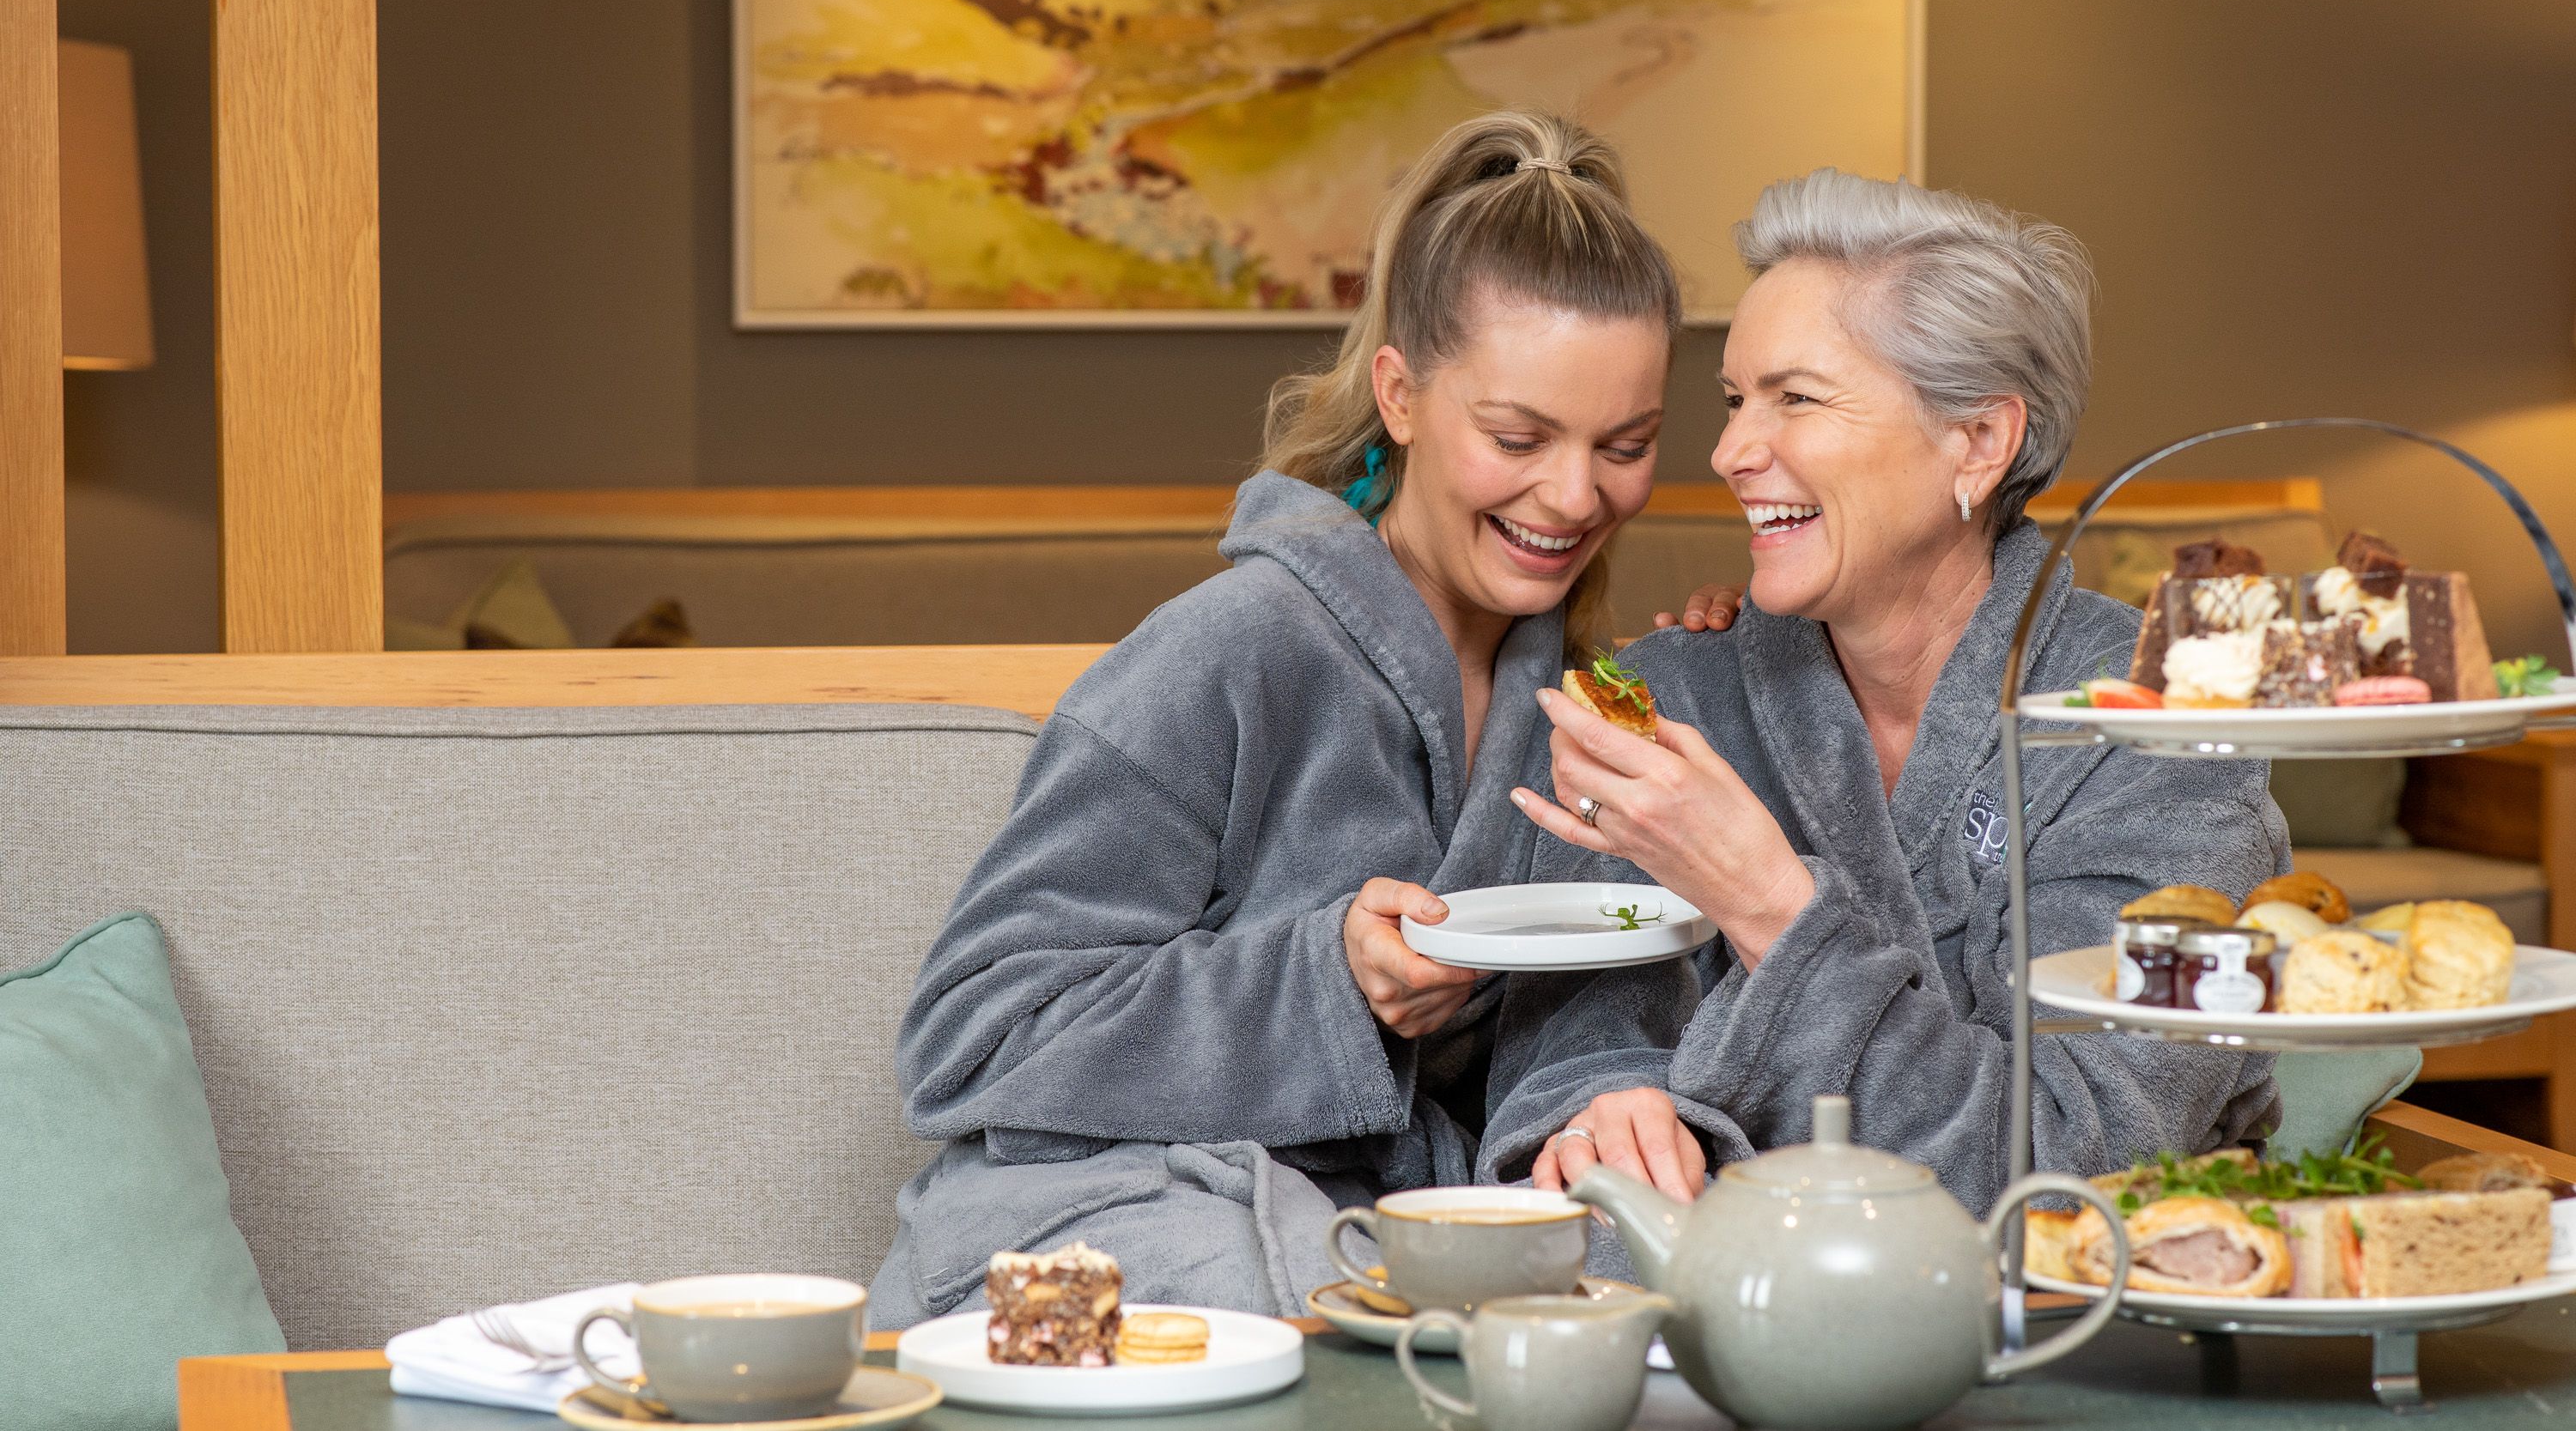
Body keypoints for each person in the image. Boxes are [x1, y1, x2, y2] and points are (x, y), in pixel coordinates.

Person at [869, 111, 1692, 1326]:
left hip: (1376, 1228)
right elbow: (971, 1035)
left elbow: (1576, 1011)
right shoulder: (1229, 654)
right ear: (1400, 395)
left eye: (1625, 446)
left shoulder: (1575, 702)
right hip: (1108, 1224)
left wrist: (1609, 1093)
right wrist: (1327, 982)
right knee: (1311, 1296)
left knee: (1669, 1268)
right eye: (1517, 437)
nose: (1574, 497)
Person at [1485, 168, 2285, 1212]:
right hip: (1694, 1309)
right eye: (1733, 400)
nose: (1730, 451)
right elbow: (1562, 1038)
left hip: (2061, 1321)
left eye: (1796, 398)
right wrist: (1606, 1104)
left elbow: (2084, 1160)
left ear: (1980, 442)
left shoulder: (2153, 730)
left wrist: (1768, 901)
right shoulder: (1665, 696)